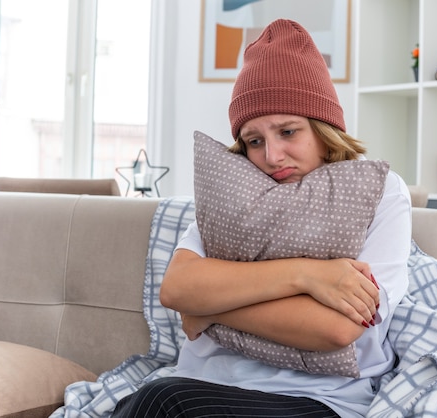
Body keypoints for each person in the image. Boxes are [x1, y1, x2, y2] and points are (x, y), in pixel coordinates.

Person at [113, 19, 412, 417]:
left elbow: (338, 329)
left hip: (319, 398)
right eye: (255, 141)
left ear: (324, 130)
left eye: (288, 132)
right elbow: (178, 289)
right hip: (204, 382)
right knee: (150, 401)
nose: (271, 156)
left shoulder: (379, 190)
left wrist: (211, 308)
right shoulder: (235, 195)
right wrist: (307, 276)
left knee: (162, 402)